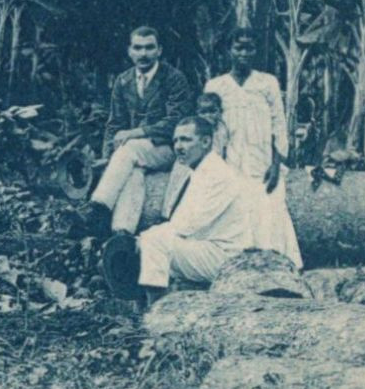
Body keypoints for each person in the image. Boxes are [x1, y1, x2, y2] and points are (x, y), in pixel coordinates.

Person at [203, 29, 302, 269]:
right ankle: (238, 265)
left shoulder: (267, 82)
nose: (244, 53)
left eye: (249, 48)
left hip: (263, 161)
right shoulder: (216, 85)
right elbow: (211, 128)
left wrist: (277, 164)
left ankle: (278, 265)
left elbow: (279, 122)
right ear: (229, 51)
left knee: (271, 206)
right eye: (238, 48)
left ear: (256, 52)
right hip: (232, 160)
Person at [83, 26, 195, 234]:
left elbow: (176, 121)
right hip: (135, 155)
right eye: (138, 48)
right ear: (130, 51)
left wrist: (136, 132)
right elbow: (114, 123)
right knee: (133, 173)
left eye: (149, 48)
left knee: (130, 149)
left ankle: (98, 208)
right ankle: (122, 233)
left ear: (159, 50)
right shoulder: (123, 81)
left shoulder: (174, 78)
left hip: (167, 149)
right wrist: (108, 158)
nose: (143, 54)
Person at [137, 116, 253, 304]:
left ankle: (153, 310)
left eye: (186, 140)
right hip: (206, 248)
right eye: (175, 140)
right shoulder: (199, 171)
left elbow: (186, 226)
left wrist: (145, 238)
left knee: (154, 242)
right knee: (151, 243)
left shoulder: (217, 174)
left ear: (206, 142)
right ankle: (147, 306)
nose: (178, 147)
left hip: (227, 257)